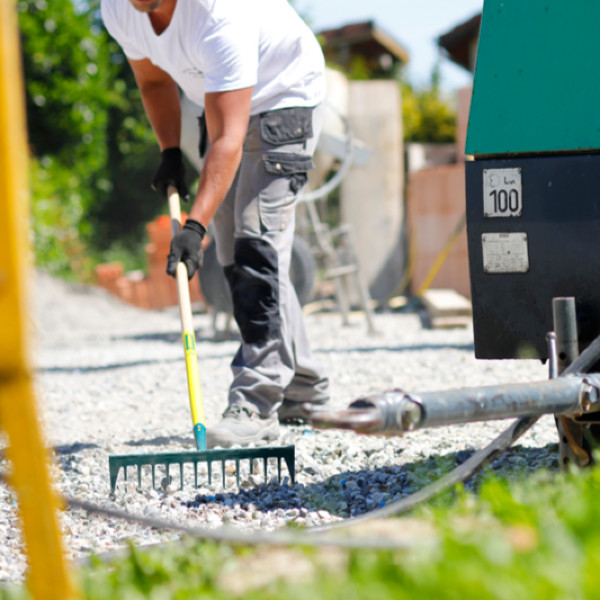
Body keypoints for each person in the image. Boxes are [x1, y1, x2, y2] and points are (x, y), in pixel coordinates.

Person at [101, 0, 330, 447]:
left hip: (285, 94)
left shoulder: (219, 12)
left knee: (256, 243)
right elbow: (152, 81)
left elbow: (228, 139)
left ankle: (257, 400)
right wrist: (170, 151)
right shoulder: (119, 9)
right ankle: (303, 387)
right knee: (233, 249)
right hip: (222, 103)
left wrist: (194, 226)